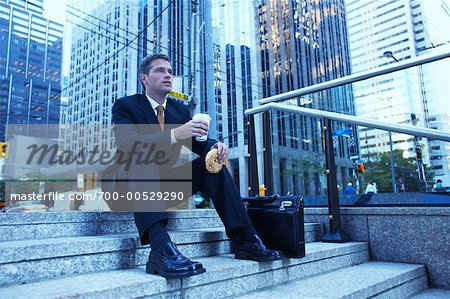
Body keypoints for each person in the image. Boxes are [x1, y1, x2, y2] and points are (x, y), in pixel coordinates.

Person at [102, 54, 282, 279]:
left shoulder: (179, 111)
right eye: (160, 70)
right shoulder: (126, 106)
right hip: (124, 187)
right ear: (144, 79)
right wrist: (177, 133)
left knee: (213, 165)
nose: (167, 74)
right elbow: (127, 145)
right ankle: (160, 249)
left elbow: (197, 141)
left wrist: (214, 146)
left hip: (162, 188)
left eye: (170, 71)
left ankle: (245, 238)